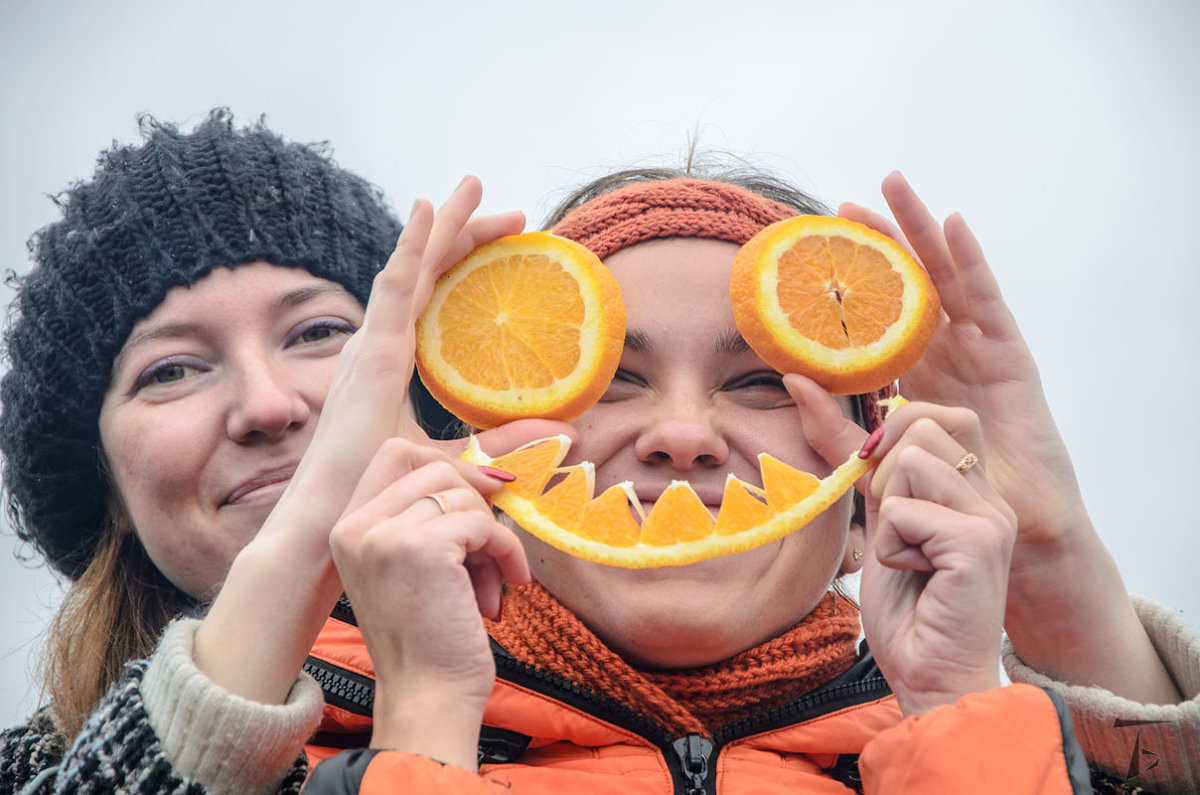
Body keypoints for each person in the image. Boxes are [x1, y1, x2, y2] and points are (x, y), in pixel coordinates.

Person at [296, 168, 1200, 793]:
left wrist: (968, 691)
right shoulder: (285, 740)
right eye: (609, 378)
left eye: (762, 382)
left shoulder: (995, 737)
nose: (683, 435)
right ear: (485, 467)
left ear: (863, 505)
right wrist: (420, 725)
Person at [0, 110, 551, 793]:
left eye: (317, 331)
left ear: (422, 380)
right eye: (170, 370)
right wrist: (305, 537)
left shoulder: (645, 709)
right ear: (104, 485)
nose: (266, 405)